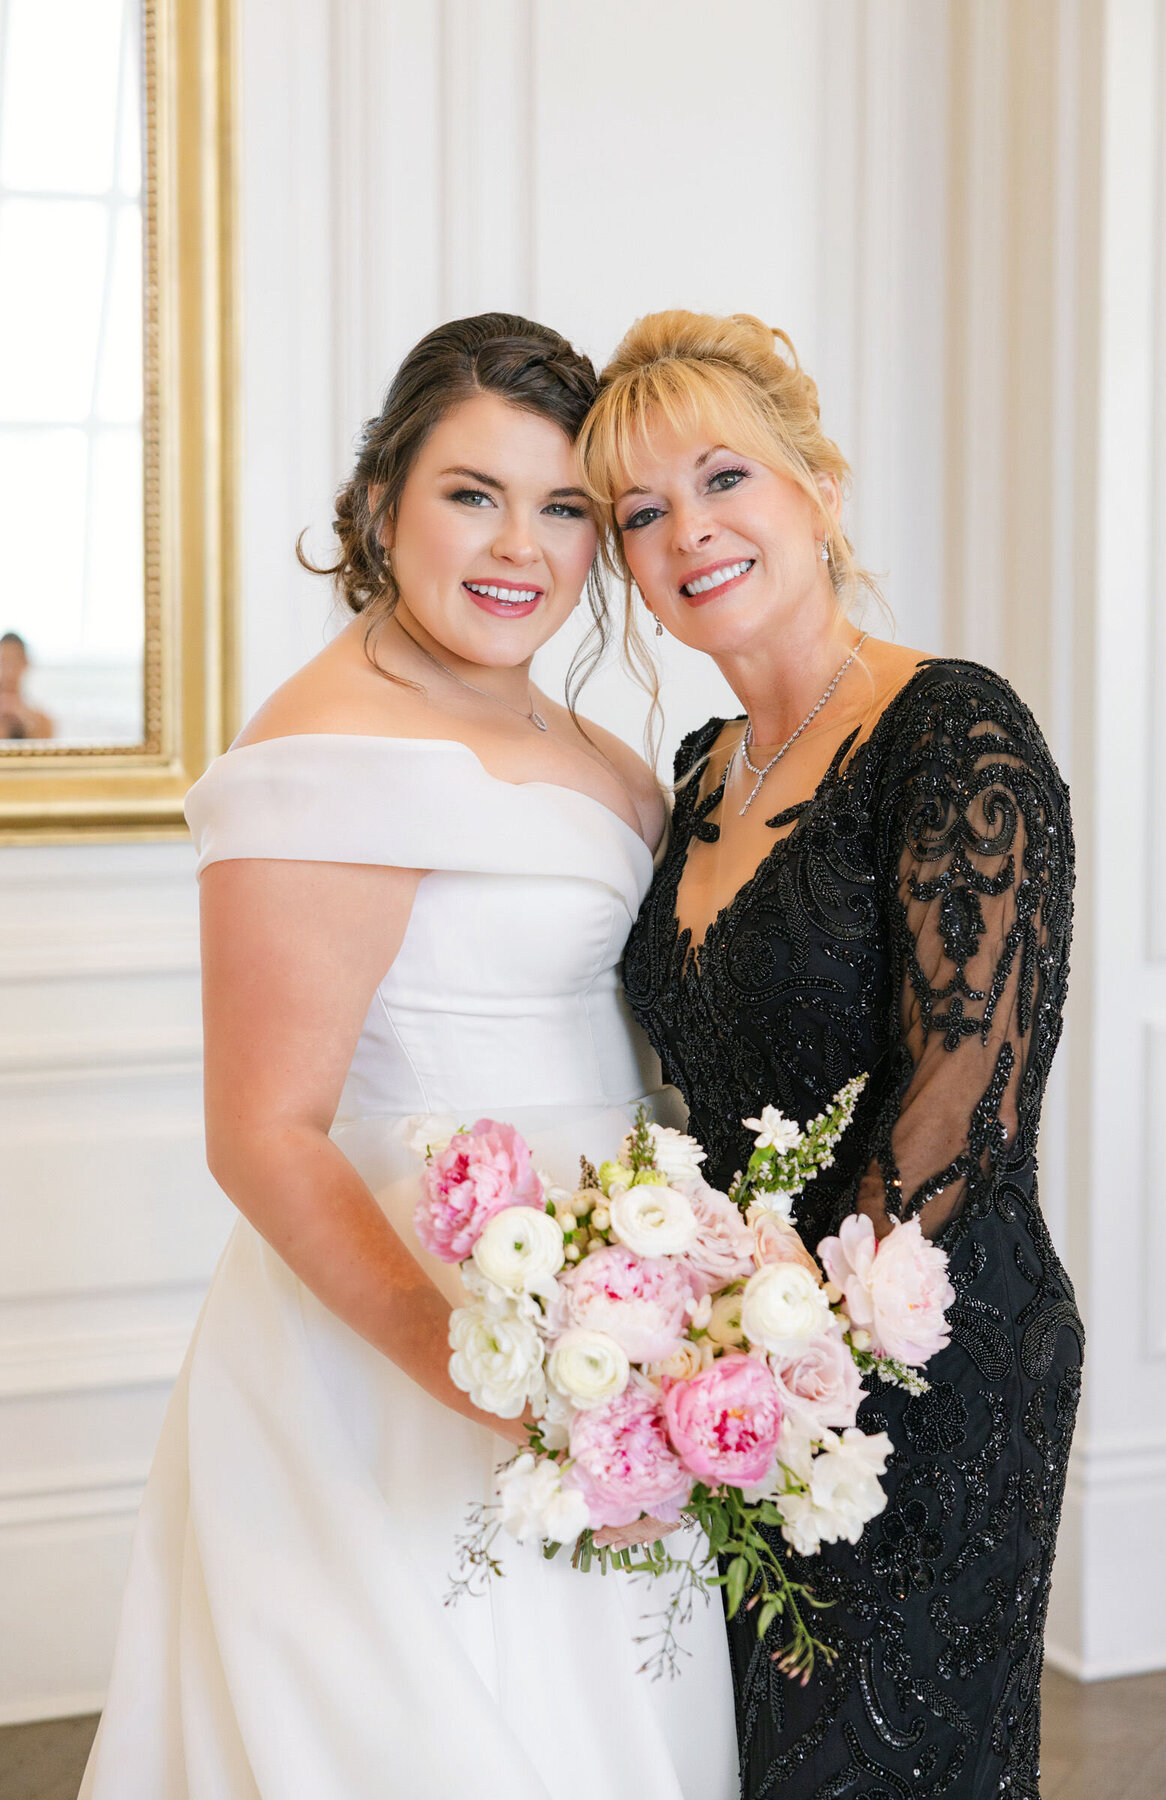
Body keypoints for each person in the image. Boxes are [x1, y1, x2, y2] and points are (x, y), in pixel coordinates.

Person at [80, 314, 737, 1800]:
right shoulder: (333, 745)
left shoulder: (581, 740)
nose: (522, 545)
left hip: (607, 1326)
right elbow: (262, 1130)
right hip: (403, 1360)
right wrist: (496, 1378)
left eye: (565, 506)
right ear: (383, 504)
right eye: (472, 493)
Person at [578, 309, 1084, 1800]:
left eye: (725, 477)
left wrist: (784, 1349)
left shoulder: (951, 730)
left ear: (819, 487)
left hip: (926, 1356)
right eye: (641, 512)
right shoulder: (696, 776)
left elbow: (963, 1096)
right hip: (735, 1380)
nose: (692, 531)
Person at [0, 631, 53, 739]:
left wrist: (28, 724)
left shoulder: (41, 721)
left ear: (25, 663)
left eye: (15, 661)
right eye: (3, 662)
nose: (9, 670)